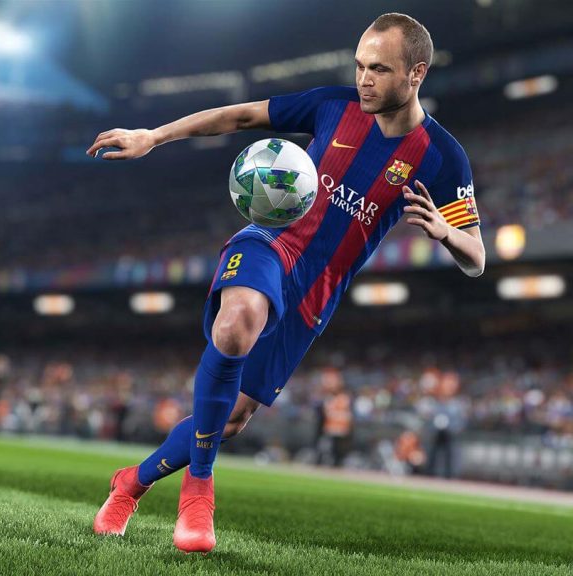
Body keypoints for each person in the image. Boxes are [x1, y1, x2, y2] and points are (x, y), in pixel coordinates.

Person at [87, 13, 485, 554]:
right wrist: (154, 135)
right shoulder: (332, 106)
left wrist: (447, 232)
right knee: (236, 323)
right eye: (360, 66)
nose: (364, 79)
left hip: (317, 291)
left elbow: (476, 259)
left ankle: (131, 483)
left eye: (379, 69)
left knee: (231, 419)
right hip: (270, 242)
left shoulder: (443, 157)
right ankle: (198, 491)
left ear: (416, 74)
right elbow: (240, 115)